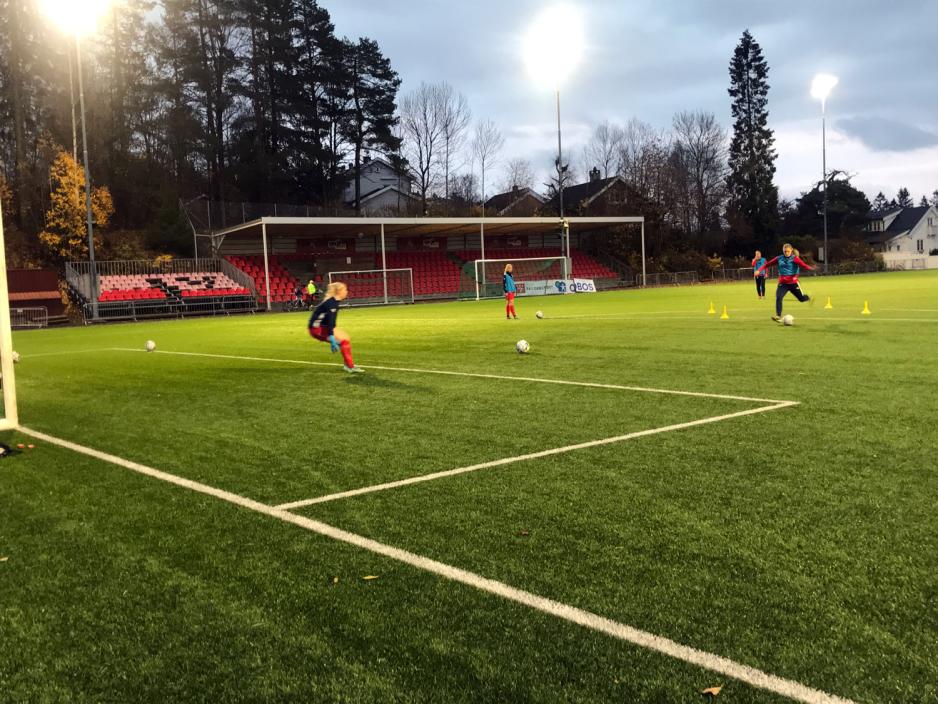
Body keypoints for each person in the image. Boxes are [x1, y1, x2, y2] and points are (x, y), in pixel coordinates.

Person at [308, 282, 363, 373]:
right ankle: (349, 366)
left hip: (322, 327)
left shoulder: (333, 302)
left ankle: (348, 365)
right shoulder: (331, 304)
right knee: (343, 341)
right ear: (339, 291)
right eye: (345, 290)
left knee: (345, 339)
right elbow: (330, 323)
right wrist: (332, 339)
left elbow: (330, 323)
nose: (346, 291)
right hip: (316, 329)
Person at [756, 243, 816, 322]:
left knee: (801, 299)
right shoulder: (779, 258)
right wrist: (759, 270)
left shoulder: (795, 258)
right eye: (784, 251)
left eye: (788, 251)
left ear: (791, 250)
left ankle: (808, 297)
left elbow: (803, 265)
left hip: (793, 283)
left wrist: (811, 268)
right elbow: (767, 264)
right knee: (779, 297)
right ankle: (778, 315)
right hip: (783, 284)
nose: (786, 253)